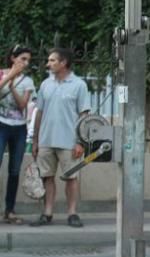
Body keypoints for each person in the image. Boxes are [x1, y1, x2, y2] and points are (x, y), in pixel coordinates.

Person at [30, 48, 90, 227]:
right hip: (46, 140)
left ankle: (72, 213)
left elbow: (84, 115)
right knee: (47, 177)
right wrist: (35, 140)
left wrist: (80, 141)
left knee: (71, 178)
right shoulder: (45, 84)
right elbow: (39, 112)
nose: (48, 64)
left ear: (63, 63)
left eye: (52, 60)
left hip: (69, 141)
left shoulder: (79, 85)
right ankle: (47, 213)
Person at [0, 45, 35, 224]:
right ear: (13, 58)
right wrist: (10, 77)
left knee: (14, 169)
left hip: (19, 128)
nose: (26, 63)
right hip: (1, 125)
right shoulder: (1, 73)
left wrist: (13, 86)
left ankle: (9, 210)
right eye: (23, 59)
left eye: (28, 60)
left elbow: (22, 105)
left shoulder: (28, 81)